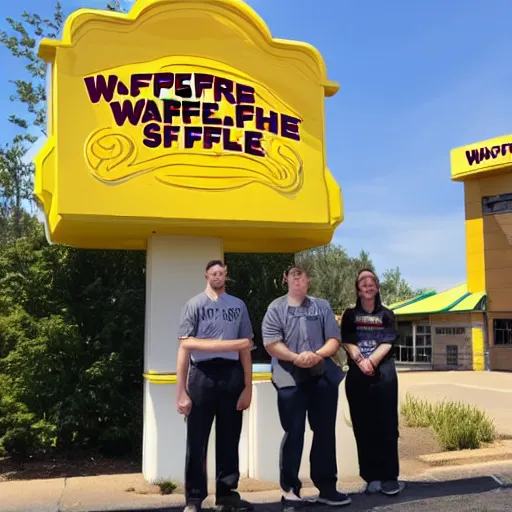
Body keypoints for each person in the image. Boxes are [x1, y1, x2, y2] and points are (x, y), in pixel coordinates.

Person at [261, 264, 351, 511]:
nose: (298, 281)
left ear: (308, 280)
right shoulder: (275, 308)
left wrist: (316, 355)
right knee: (294, 432)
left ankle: (327, 488)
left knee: (324, 433)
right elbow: (270, 342)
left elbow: (334, 339)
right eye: (293, 276)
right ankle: (289, 490)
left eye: (302, 277)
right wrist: (295, 357)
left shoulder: (321, 306)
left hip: (321, 375)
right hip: (289, 378)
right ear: (285, 279)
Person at [176, 260, 255, 512]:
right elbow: (185, 346)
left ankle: (227, 494)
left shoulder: (238, 305)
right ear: (206, 276)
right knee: (197, 439)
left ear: (226, 276)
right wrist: (181, 391)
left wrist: (248, 386)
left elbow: (246, 348)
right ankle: (194, 498)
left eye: (221, 273)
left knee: (229, 437)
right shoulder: (194, 304)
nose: (218, 276)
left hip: (231, 374)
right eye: (213, 273)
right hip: (202, 375)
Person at [340, 268, 404, 496]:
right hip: (358, 376)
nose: (367, 286)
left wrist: (372, 361)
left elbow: (388, 341)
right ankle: (371, 477)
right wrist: (359, 359)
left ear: (377, 287)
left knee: (386, 425)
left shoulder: (387, 315)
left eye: (371, 282)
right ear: (358, 289)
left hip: (383, 374)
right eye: (362, 283)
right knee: (363, 426)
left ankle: (389, 477)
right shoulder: (350, 315)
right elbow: (346, 340)